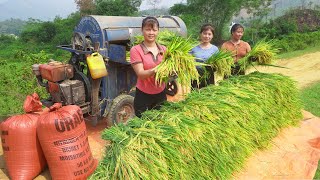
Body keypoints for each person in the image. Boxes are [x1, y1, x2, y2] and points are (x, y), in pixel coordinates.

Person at [130, 17, 167, 118]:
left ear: (158, 31)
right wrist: (158, 69)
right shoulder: (136, 50)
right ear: (142, 30)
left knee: (160, 123)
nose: (151, 33)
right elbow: (141, 74)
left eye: (154, 30)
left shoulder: (164, 49)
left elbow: (168, 72)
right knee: (143, 126)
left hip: (161, 93)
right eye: (148, 29)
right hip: (143, 95)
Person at [190, 24, 219, 88]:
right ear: (200, 34)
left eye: (209, 34)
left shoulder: (215, 49)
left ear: (212, 36)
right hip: (195, 77)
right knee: (195, 96)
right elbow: (188, 62)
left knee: (208, 96)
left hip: (209, 78)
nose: (207, 36)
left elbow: (217, 66)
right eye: (205, 33)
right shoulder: (193, 47)